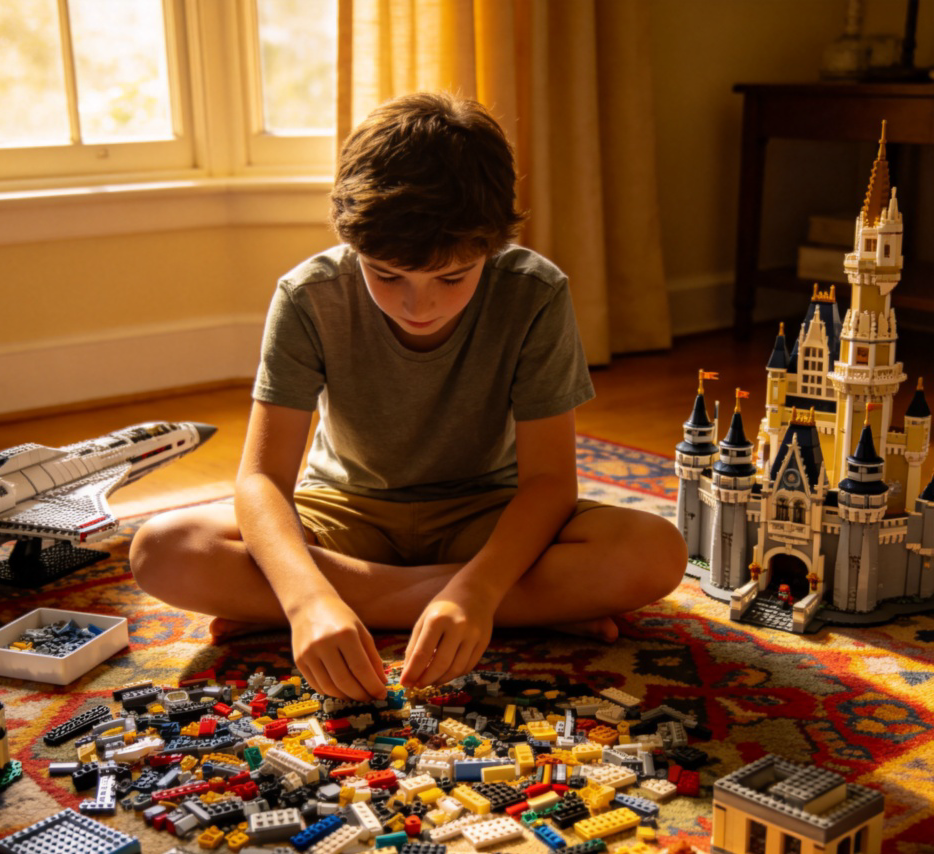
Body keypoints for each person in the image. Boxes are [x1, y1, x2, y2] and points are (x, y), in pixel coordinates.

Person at [130, 92, 687, 703]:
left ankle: (398, 607)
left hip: (487, 515)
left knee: (656, 553)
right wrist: (308, 597)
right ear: (353, 244)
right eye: (386, 274)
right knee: (162, 549)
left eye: (452, 278)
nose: (417, 305)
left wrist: (474, 590)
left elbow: (550, 482)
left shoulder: (535, 293)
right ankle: (514, 609)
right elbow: (262, 480)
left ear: (494, 245)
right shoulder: (309, 295)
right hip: (343, 512)